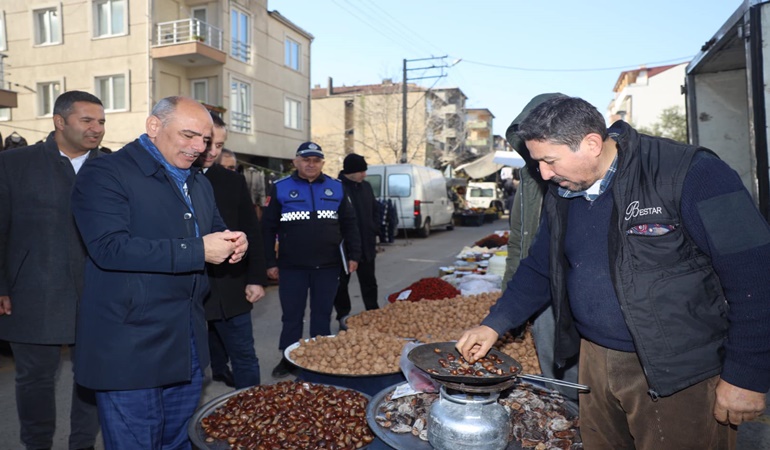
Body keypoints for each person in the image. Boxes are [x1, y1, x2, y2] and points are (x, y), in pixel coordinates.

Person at [457, 95, 770, 450]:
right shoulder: (563, 189)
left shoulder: (690, 172)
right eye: (537, 162)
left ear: (591, 144)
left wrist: (747, 374)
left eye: (549, 160)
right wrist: (494, 323)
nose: (543, 173)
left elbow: (755, 275)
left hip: (679, 369)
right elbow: (541, 267)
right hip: (595, 361)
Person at [70, 96, 248, 449]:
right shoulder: (105, 173)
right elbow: (109, 247)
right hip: (130, 346)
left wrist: (234, 241)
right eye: (189, 136)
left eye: (206, 140)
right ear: (154, 127)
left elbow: (214, 228)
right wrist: (199, 250)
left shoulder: (198, 182)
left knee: (180, 441)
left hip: (187, 342)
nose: (199, 147)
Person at [0, 90, 104, 450]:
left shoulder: (110, 167)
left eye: (101, 121)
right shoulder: (14, 164)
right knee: (34, 381)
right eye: (87, 120)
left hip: (98, 292)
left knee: (93, 377)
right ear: (60, 122)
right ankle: (36, 444)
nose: (97, 128)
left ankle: (82, 445)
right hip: (32, 291)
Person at [501, 93, 579, 402]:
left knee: (584, 377)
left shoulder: (575, 180)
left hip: (576, 295)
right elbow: (519, 242)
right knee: (556, 381)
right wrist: (509, 297)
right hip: (539, 292)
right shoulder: (531, 183)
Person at [263, 142, 361, 378]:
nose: (311, 164)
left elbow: (350, 224)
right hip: (291, 266)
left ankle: (319, 358)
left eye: (316, 160)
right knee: (292, 316)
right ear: (296, 161)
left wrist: (354, 255)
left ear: (322, 163)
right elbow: (266, 228)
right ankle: (288, 359)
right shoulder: (281, 188)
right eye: (306, 159)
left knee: (322, 314)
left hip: (327, 266)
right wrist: (269, 262)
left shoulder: (336, 188)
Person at [199, 112, 267, 389]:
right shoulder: (170, 179)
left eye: (219, 145)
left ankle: (252, 414)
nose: (213, 152)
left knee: (244, 355)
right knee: (192, 362)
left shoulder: (232, 181)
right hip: (186, 289)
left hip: (230, 286)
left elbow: (252, 231)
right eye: (208, 143)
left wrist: (256, 277)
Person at [333, 153, 380, 329]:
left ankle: (373, 314)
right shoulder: (337, 188)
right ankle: (343, 317)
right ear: (350, 171)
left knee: (369, 282)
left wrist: (375, 228)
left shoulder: (366, 187)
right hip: (345, 248)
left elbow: (376, 209)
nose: (364, 175)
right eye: (361, 171)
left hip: (366, 244)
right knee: (341, 285)